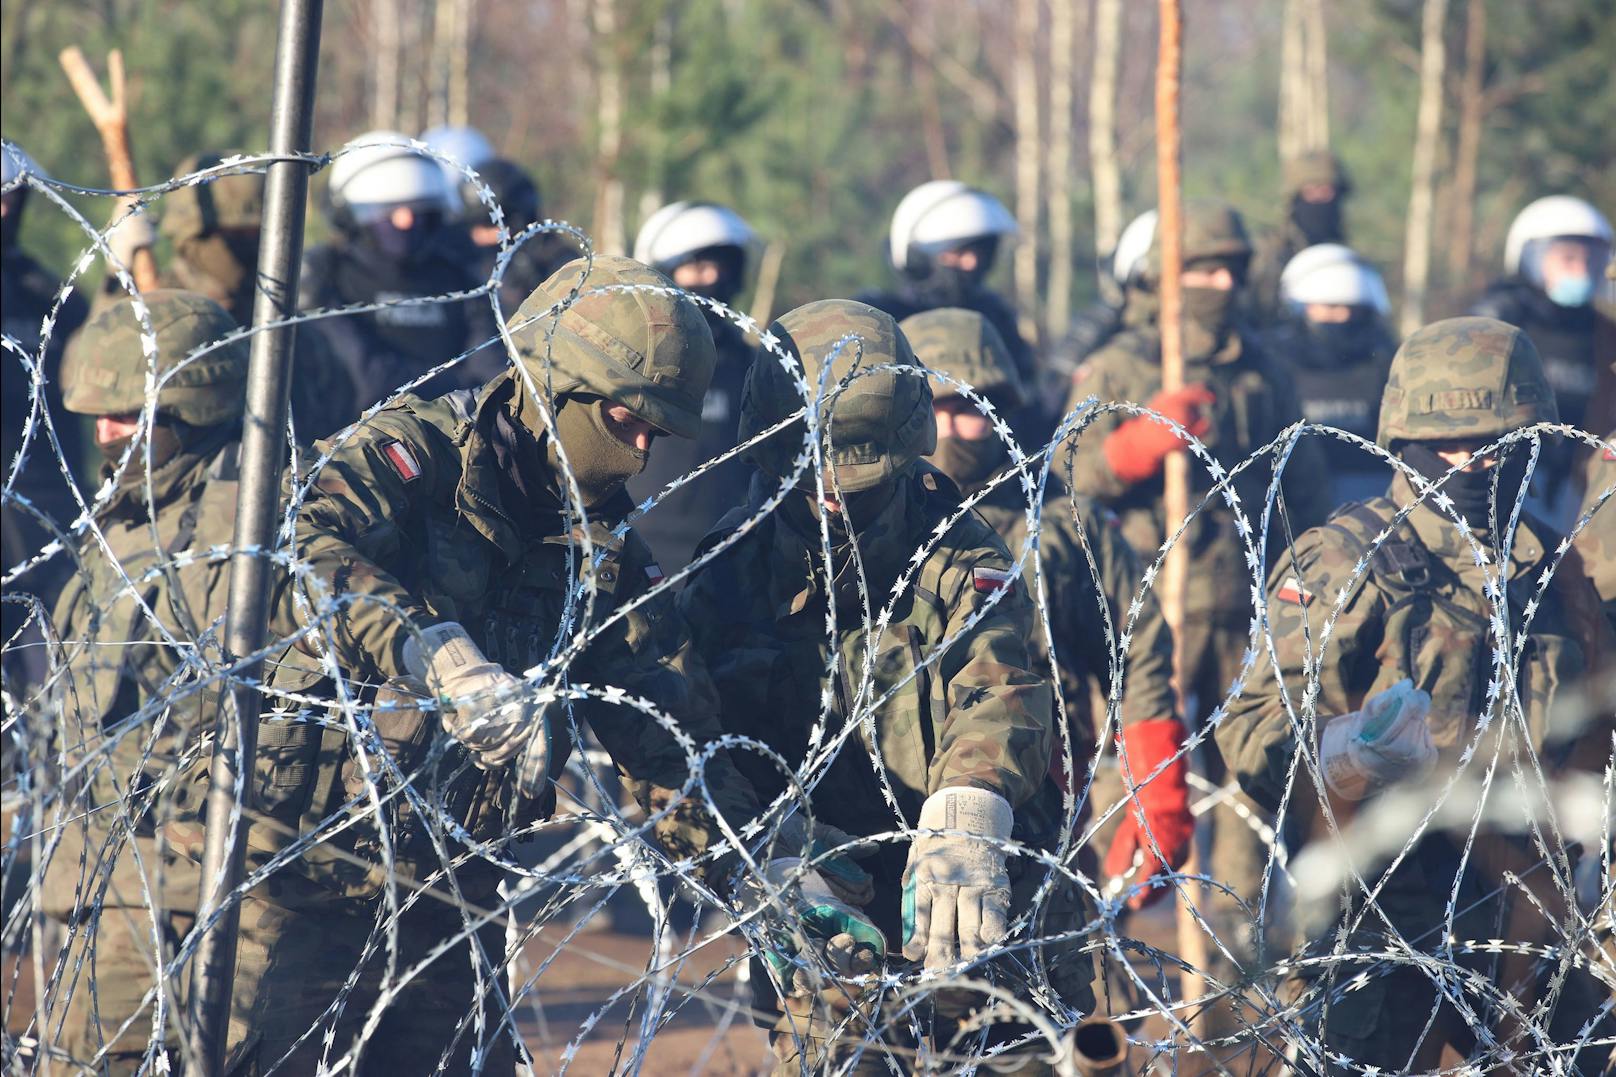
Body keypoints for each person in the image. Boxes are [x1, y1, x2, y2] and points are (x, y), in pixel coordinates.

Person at [168, 255, 769, 1073]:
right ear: (558, 383)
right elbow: (300, 552)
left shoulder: (605, 550)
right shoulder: (414, 454)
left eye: (654, 436)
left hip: (451, 904)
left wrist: (768, 862)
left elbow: (667, 731)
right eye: (626, 422)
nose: (637, 456)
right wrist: (438, 653)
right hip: (299, 887)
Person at [678, 299, 1095, 1073]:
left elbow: (999, 685)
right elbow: (693, 740)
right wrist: (768, 857)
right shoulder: (728, 569)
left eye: (857, 469)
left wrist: (968, 811)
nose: (834, 492)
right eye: (813, 470)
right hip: (829, 913)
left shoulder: (958, 551)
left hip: (979, 893)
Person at [1216, 316, 1614, 1073]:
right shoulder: (1344, 560)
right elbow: (1253, 726)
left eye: (1497, 443)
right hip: (1381, 906)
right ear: (1405, 441)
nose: (1475, 462)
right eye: (1451, 445)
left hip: (1523, 904)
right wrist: (1348, 748)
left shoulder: (1556, 570)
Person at [1062, 199, 1332, 1027]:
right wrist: (1132, 447)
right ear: (1160, 276)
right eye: (1200, 270)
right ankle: (1105, 1005)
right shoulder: (1119, 364)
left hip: (1246, 622)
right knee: (1136, 810)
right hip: (1152, 622)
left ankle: (1226, 1010)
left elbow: (1305, 484)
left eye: (1229, 271)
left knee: (1245, 812)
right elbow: (1067, 478)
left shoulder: (1265, 370)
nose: (1218, 284)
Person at [899, 306, 1190, 908]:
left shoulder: (1055, 524)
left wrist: (1155, 786)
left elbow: (1135, 646)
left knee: (1035, 985)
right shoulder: (863, 527)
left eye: (970, 410)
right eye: (937, 407)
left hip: (1033, 802)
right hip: (883, 786)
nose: (952, 428)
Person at [41, 290, 249, 1071]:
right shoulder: (132, 509)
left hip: (190, 877)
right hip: (108, 868)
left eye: (128, 414)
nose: (105, 433)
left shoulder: (237, 534)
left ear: (191, 412)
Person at [155, 150, 356, 441]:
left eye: (257, 234)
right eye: (235, 235)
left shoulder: (286, 326)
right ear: (193, 236)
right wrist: (114, 280)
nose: (249, 249)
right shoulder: (153, 310)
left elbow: (334, 416)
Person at [298, 130, 483, 412]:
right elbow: (367, 380)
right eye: (388, 210)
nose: (406, 220)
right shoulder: (325, 274)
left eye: (417, 208)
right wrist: (458, 385)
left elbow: (490, 376)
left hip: (455, 443)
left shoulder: (457, 278)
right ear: (349, 215)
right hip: (350, 445)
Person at [2, 140, 90, 691]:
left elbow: (111, 358)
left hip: (44, 515)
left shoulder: (43, 291)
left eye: (12, 198)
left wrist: (124, 277)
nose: (4, 211)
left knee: (47, 691)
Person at [629, 200, 761, 568]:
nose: (710, 280)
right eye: (695, 267)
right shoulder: (636, 360)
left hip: (726, 558)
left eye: (718, 267)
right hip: (639, 557)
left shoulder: (750, 365)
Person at [1469, 195, 1614, 514]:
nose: (1581, 270)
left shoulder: (1604, 332)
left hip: (1581, 486)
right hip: (1505, 484)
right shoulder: (1498, 320)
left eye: (1592, 260)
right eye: (1568, 258)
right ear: (1530, 257)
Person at [856, 180, 1035, 399]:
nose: (971, 263)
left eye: (981, 252)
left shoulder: (995, 319)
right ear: (917, 256)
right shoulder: (878, 322)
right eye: (957, 252)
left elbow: (1027, 409)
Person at [1266, 242, 1399, 507]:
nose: (1342, 316)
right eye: (1328, 307)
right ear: (1299, 307)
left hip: (1377, 506)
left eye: (1352, 308)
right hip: (1294, 502)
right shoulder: (1271, 362)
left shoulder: (1388, 364)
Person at [1248, 148, 1353, 323]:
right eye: (1311, 191)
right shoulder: (1268, 254)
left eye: (1327, 191)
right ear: (1294, 198)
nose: (1319, 200)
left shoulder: (1346, 259)